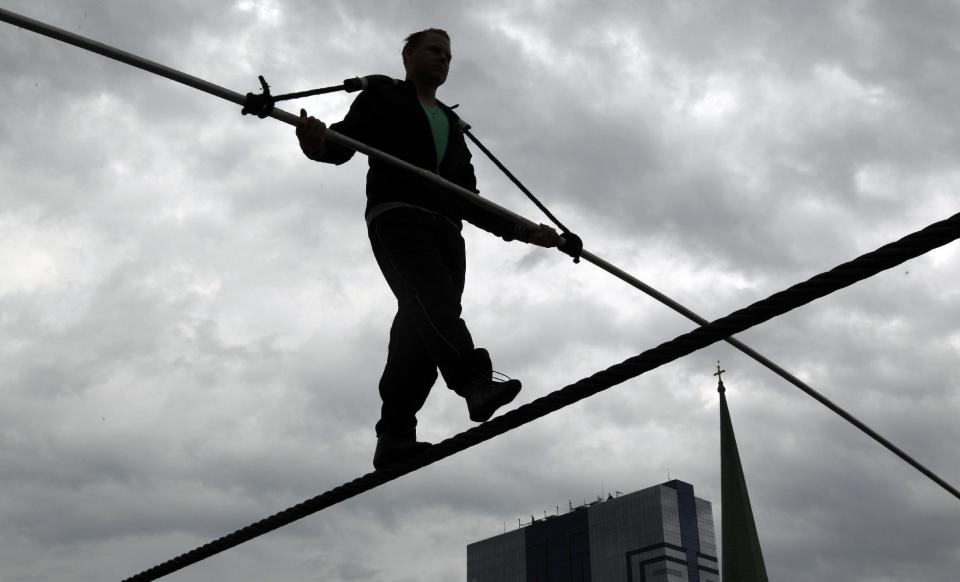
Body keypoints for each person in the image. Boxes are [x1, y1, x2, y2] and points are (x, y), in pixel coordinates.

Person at [296, 28, 560, 469]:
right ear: (409, 56)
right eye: (434, 51)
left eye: (448, 56)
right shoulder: (383, 98)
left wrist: (526, 231)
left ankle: (395, 436)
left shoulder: (452, 125)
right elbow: (342, 144)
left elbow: (470, 199)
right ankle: (474, 381)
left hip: (446, 230)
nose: (443, 60)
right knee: (434, 302)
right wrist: (314, 140)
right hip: (398, 215)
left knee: (419, 330)